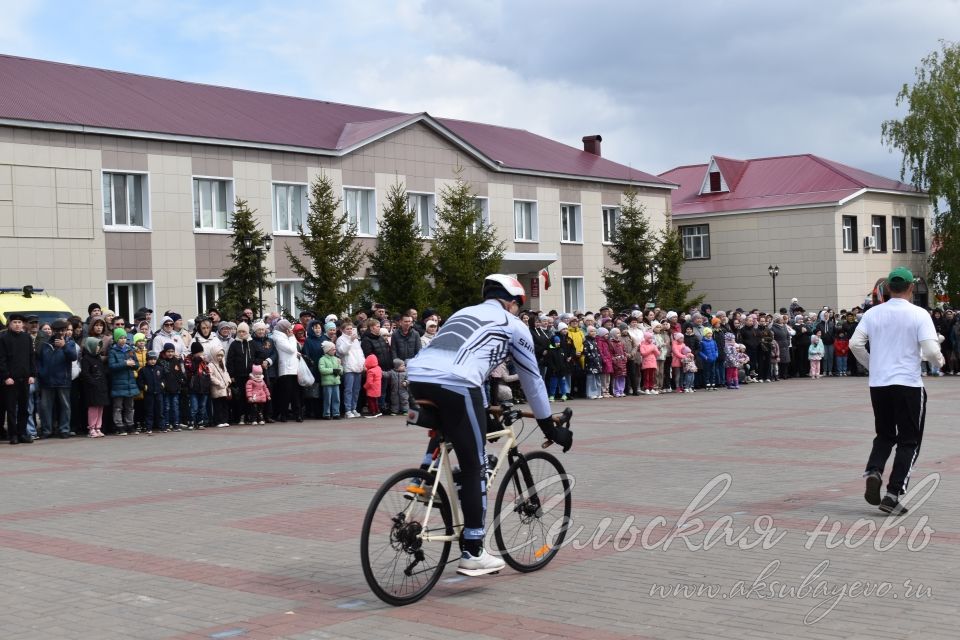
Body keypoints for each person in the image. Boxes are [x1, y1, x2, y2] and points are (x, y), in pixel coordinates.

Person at [407, 274, 572, 577]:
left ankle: (422, 481)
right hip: (457, 383)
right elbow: (532, 379)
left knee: (456, 430)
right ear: (511, 302)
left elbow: (470, 361)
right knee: (476, 466)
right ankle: (473, 551)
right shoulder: (513, 326)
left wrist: (485, 414)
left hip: (418, 377)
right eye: (517, 306)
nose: (516, 311)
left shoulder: (463, 313)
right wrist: (550, 428)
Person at [851, 267, 943, 516]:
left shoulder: (872, 313)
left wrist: (873, 365)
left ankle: (873, 470)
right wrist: (939, 361)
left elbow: (854, 344)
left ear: (888, 288)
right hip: (908, 384)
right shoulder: (919, 314)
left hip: (879, 385)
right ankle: (893, 494)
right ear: (911, 288)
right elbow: (932, 351)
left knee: (884, 434)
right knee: (909, 441)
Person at [36, 318, 78, 438]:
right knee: (45, 407)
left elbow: (73, 357)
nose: (61, 333)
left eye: (63, 330)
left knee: (65, 406)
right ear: (53, 331)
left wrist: (64, 346)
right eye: (58, 330)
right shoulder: (44, 343)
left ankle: (64, 430)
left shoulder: (70, 343)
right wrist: (42, 373)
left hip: (63, 380)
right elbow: (39, 360)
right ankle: (46, 430)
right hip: (47, 380)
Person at [0, 313, 37, 444]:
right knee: (11, 409)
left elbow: (31, 357)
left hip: (25, 378)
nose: (17, 324)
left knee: (24, 408)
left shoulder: (27, 338)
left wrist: (32, 374)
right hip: (10, 380)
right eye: (14, 322)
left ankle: (22, 433)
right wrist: (6, 376)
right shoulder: (3, 338)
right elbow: (2, 359)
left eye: (19, 322)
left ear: (23, 324)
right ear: (10, 324)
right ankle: (13, 435)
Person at [107, 328, 139, 435]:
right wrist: (125, 363)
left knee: (130, 406)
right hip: (118, 383)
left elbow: (137, 365)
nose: (123, 340)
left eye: (125, 338)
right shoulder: (113, 351)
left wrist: (134, 364)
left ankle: (130, 425)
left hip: (130, 382)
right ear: (116, 339)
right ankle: (119, 426)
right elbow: (112, 366)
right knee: (118, 407)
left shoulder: (130, 349)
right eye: (121, 338)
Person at [79, 337, 109, 438]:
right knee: (93, 408)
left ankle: (98, 427)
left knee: (100, 407)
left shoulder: (98, 358)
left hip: (101, 387)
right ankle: (91, 428)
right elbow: (85, 374)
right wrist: (94, 382)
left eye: (99, 346)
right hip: (92, 388)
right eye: (96, 346)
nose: (98, 348)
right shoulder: (86, 359)